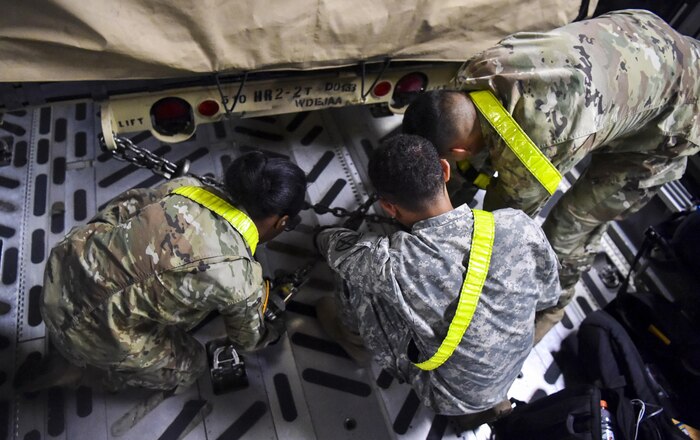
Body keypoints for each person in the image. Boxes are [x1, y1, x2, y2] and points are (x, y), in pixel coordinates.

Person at [402, 9, 700, 341]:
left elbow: (503, 226)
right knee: (488, 146)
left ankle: (551, 308)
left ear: (456, 152)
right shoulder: (478, 69)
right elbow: (475, 140)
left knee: (569, 226)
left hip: (678, 113)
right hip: (641, 35)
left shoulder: (530, 153)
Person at [314, 134, 560, 429]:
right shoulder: (517, 224)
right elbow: (548, 296)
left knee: (352, 279)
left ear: (388, 207)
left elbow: (333, 246)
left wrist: (325, 235)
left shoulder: (391, 263)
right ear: (445, 170)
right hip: (514, 361)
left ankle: (351, 339)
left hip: (449, 395)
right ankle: (486, 395)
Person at [20, 151, 307, 393]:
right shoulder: (240, 278)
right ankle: (86, 374)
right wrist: (273, 327)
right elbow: (247, 340)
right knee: (191, 365)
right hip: (97, 338)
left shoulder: (183, 187)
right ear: (281, 223)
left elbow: (112, 215)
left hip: (58, 284)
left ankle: (70, 348)